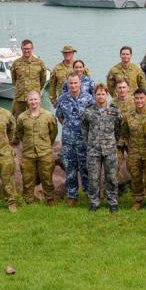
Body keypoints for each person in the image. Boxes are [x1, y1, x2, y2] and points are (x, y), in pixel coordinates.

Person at [81, 84, 123, 213]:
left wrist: (113, 142)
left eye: (103, 94)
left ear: (107, 95)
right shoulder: (88, 111)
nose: (100, 96)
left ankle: (113, 202)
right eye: (98, 94)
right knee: (93, 178)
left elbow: (119, 128)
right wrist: (88, 143)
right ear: (94, 95)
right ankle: (94, 202)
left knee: (111, 177)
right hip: (93, 150)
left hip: (110, 149)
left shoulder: (114, 111)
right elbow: (84, 128)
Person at [54, 72, 93, 207]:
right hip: (68, 141)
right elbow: (59, 116)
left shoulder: (88, 99)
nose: (73, 85)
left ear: (80, 83)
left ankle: (89, 194)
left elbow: (92, 118)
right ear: (67, 84)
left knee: (85, 168)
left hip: (84, 141)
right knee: (70, 169)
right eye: (71, 83)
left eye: (76, 83)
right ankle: (72, 195)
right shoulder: (62, 99)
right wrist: (69, 127)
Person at [16, 91, 58, 205]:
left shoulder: (48, 116)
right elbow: (19, 133)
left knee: (47, 178)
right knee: (27, 179)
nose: (33, 102)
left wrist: (46, 144)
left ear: (39, 100)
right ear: (27, 101)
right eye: (31, 100)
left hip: (44, 153)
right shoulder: (22, 117)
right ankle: (28, 201)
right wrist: (27, 142)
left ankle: (50, 200)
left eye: (35, 99)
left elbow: (53, 132)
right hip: (28, 153)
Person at [121, 87, 146, 210]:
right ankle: (137, 199)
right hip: (134, 151)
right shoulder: (128, 116)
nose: (139, 101)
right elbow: (124, 133)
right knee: (135, 176)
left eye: (141, 98)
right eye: (136, 98)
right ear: (134, 99)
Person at [10, 39, 48, 118]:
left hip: (34, 99)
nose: (26, 51)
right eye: (24, 49)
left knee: (35, 119)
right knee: (18, 120)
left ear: (32, 48)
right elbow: (14, 80)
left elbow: (43, 80)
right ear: (21, 49)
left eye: (28, 49)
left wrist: (36, 90)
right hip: (20, 98)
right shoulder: (16, 63)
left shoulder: (39, 63)